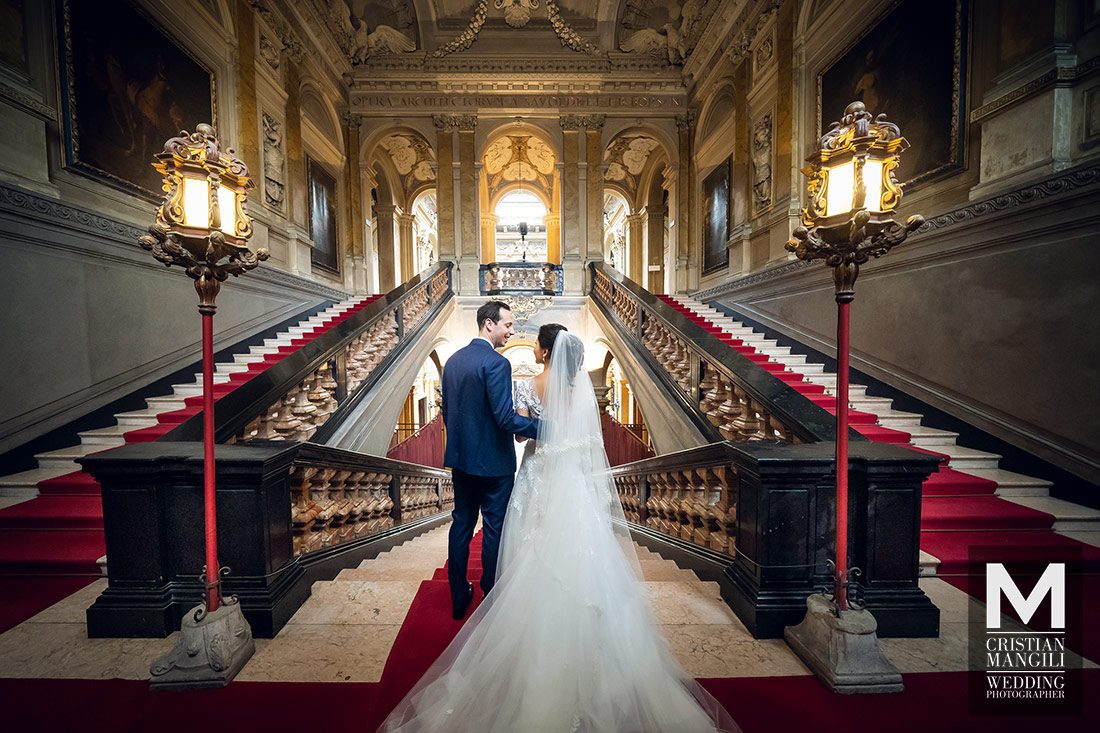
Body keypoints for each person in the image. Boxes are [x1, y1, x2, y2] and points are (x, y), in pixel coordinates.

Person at [381, 325, 739, 732]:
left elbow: (518, 431)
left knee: (525, 543)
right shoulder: (579, 392)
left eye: (537, 344)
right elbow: (589, 445)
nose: (532, 347)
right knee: (578, 552)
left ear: (548, 351)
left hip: (537, 473)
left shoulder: (529, 385)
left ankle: (501, 606)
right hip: (571, 482)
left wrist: (540, 431)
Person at [439, 300, 540, 621]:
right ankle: (490, 595)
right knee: (494, 529)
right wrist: (545, 428)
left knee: (461, 525)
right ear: (489, 324)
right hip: (494, 465)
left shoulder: (453, 361)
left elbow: (447, 412)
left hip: (461, 461)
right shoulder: (497, 363)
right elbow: (505, 418)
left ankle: (458, 597)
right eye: (508, 324)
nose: (512, 331)